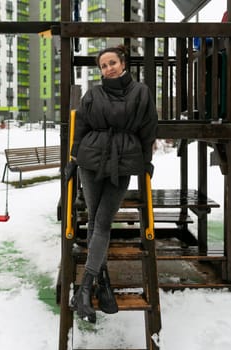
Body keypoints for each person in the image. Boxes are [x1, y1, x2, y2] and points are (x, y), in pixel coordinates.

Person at [65, 44, 158, 323]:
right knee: (95, 220)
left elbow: (148, 129)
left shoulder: (141, 92)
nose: (108, 69)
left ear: (123, 63)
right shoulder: (94, 93)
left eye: (112, 63)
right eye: (103, 66)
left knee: (103, 221)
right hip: (91, 160)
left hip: (124, 160)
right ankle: (102, 282)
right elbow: (80, 126)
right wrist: (73, 158)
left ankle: (84, 288)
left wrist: (146, 160)